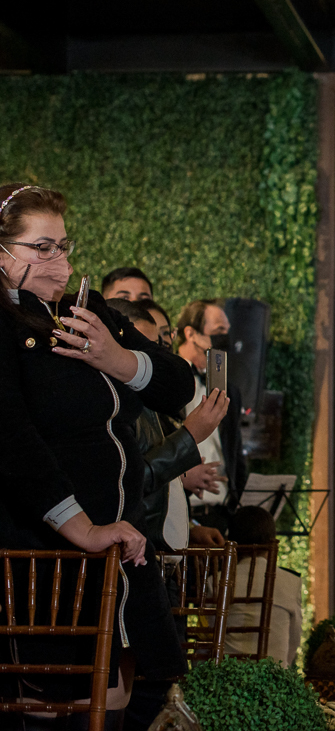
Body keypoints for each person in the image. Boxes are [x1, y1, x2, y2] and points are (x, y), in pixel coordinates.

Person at [0, 183, 193, 726]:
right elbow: (12, 441)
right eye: (42, 248)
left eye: (63, 245)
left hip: (118, 541)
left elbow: (178, 385)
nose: (58, 260)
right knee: (53, 705)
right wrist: (81, 527)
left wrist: (117, 359)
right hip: (43, 547)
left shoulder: (85, 308)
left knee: (137, 693)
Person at [105, 298, 228, 552]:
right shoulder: (113, 404)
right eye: (142, 349)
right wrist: (189, 436)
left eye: (159, 346)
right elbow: (130, 483)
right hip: (135, 552)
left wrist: (191, 529)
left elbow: (162, 491)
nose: (155, 360)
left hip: (162, 553)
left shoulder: (151, 400)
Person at [175, 299, 246, 533]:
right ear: (191, 334)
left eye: (227, 331)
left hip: (220, 512)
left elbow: (233, 447)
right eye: (218, 332)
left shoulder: (230, 390)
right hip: (179, 510)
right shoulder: (167, 382)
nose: (225, 339)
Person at [224, 506, 303, 667]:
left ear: (232, 542)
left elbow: (209, 641)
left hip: (227, 680)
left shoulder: (216, 581)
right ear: (272, 543)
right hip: (275, 681)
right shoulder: (291, 582)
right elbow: (294, 639)